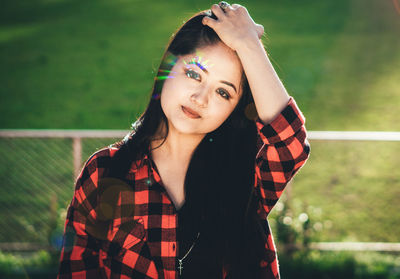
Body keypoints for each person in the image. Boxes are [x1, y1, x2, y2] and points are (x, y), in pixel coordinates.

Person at [57, 2, 310, 279]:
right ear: (168, 67)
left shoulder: (246, 175)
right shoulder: (104, 173)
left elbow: (291, 144)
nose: (200, 98)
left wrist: (249, 44)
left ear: (233, 109)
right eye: (193, 74)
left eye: (223, 93)